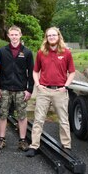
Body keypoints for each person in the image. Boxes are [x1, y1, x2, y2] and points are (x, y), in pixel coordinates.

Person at [25, 27, 76, 157]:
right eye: (49, 36)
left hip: (60, 90)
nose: (51, 37)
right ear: (46, 38)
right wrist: (38, 84)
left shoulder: (66, 53)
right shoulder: (42, 53)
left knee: (64, 120)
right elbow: (35, 71)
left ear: (59, 36)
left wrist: (66, 86)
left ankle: (66, 145)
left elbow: (72, 72)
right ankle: (34, 145)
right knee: (38, 119)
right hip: (44, 90)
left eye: (54, 35)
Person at [0, 26, 34, 151]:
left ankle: (22, 140)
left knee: (22, 115)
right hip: (5, 88)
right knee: (2, 114)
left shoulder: (27, 52)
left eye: (16, 34)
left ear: (20, 35)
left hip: (21, 89)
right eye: (11, 35)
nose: (14, 37)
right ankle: (1, 139)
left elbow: (31, 73)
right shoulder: (2, 51)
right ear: (8, 36)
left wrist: (29, 89)